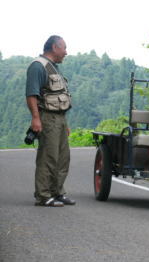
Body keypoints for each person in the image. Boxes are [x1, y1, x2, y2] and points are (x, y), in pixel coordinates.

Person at [25, 35, 75, 207]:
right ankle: (43, 195)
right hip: (47, 117)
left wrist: (65, 123)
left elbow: (59, 96)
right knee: (48, 156)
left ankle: (57, 192)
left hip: (60, 119)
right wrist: (36, 118)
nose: (66, 52)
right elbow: (31, 94)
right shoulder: (38, 66)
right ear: (55, 47)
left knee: (63, 157)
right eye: (64, 48)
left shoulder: (54, 67)